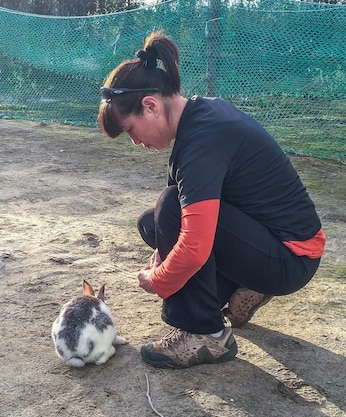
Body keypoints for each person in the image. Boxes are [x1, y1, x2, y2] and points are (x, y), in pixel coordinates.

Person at [97, 31, 326, 369]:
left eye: (131, 130)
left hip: (291, 259)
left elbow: (194, 244)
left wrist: (158, 280)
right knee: (154, 222)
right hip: (271, 242)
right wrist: (160, 257)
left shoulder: (203, 142)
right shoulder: (200, 118)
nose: (135, 142)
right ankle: (242, 289)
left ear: (151, 106)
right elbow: (180, 226)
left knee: (171, 210)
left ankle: (205, 334)